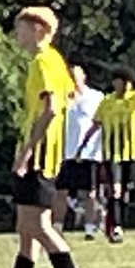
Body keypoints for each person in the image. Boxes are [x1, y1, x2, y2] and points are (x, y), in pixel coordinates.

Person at [0, 6, 96, 268]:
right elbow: (70, 96)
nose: (16, 35)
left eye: (20, 28)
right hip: (48, 152)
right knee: (25, 227)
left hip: (41, 155)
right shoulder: (55, 61)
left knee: (40, 226)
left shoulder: (44, 61)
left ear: (38, 29)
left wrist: (27, 151)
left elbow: (52, 108)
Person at [76, 66, 135, 243]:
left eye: (124, 82)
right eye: (117, 81)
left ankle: (119, 223)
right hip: (111, 153)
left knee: (125, 193)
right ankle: (115, 226)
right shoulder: (107, 102)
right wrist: (82, 146)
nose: (120, 85)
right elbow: (95, 125)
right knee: (115, 190)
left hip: (131, 153)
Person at [54, 65, 104, 240]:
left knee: (90, 192)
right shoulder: (63, 98)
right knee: (61, 191)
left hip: (90, 153)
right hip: (67, 152)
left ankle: (89, 228)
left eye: (76, 76)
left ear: (84, 76)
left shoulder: (96, 97)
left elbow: (101, 122)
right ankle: (57, 227)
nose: (73, 80)